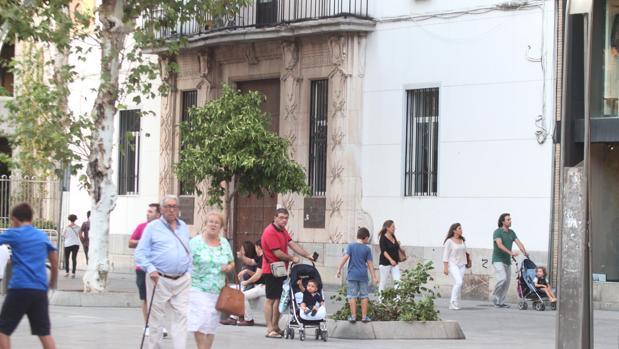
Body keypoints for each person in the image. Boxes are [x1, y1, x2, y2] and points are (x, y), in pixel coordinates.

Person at [135, 195, 191, 349]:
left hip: (182, 280)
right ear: (161, 210)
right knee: (156, 320)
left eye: (174, 206)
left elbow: (188, 251)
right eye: (167, 206)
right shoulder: (152, 227)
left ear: (178, 209)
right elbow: (140, 253)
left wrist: (189, 272)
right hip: (158, 279)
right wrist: (151, 269)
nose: (171, 209)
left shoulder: (183, 226)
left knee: (182, 317)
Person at [0, 203, 58, 349]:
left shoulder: (15, 233)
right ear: (31, 219)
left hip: (19, 288)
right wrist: (53, 281)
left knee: (3, 330)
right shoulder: (42, 235)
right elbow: (54, 260)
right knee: (44, 332)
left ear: (15, 219)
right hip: (39, 290)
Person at [262, 208, 314, 339]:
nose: (284, 220)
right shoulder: (270, 231)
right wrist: (292, 258)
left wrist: (307, 255)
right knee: (270, 299)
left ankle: (275, 326)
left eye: (286, 218)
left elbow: (292, 244)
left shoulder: (283, 230)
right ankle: (269, 328)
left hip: (280, 269)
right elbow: (277, 253)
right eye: (281, 217)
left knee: (279, 299)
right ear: (275, 217)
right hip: (271, 269)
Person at [188, 211, 234, 349]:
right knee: (200, 321)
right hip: (197, 288)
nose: (213, 224)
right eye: (211, 221)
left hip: (217, 290)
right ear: (205, 224)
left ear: (221, 226)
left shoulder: (224, 243)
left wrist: (228, 267)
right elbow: (185, 263)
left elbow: (232, 262)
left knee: (211, 324)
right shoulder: (195, 242)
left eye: (217, 222)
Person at [128, 203, 167, 337]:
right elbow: (130, 242)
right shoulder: (141, 227)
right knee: (145, 298)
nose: (147, 213)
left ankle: (160, 325)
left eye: (150, 212)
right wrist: (144, 241)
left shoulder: (165, 229)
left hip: (159, 268)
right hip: (143, 268)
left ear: (158, 214)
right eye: (147, 211)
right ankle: (148, 325)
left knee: (160, 298)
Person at [336, 227, 377, 323]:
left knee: (352, 295)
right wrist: (374, 277)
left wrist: (339, 269)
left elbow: (345, 258)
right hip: (363, 276)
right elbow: (370, 264)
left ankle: (353, 317)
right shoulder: (367, 249)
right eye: (368, 239)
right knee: (364, 296)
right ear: (366, 237)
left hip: (352, 275)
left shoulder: (350, 246)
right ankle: (364, 317)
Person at [221, 239, 264, 326]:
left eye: (242, 249)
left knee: (240, 295)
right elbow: (251, 262)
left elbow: (258, 275)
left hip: (258, 286)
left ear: (258, 247)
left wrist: (247, 279)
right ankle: (234, 317)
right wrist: (241, 257)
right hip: (254, 285)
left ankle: (247, 319)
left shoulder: (264, 258)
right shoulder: (259, 258)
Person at [492, 213, 529, 308]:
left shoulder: (511, 232)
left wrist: (524, 252)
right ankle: (495, 296)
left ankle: (500, 302)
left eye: (510, 219)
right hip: (498, 260)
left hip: (507, 261)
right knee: (502, 278)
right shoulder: (497, 232)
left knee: (507, 282)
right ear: (503, 221)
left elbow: (519, 243)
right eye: (508, 219)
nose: (510, 221)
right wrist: (511, 253)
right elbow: (499, 245)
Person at [442, 223, 468, 310]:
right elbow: (445, 255)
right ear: (454, 231)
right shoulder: (449, 241)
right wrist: (445, 267)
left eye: (461, 228)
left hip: (462, 265)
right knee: (459, 282)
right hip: (453, 264)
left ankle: (454, 302)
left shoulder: (462, 240)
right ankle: (453, 302)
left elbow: (464, 252)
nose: (461, 230)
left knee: (457, 283)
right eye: (459, 228)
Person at [378, 220, 401, 292]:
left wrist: (398, 244)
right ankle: (380, 300)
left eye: (394, 227)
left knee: (398, 281)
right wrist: (391, 260)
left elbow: (395, 247)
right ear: (387, 228)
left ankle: (398, 300)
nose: (394, 228)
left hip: (395, 263)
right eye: (393, 227)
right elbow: (384, 251)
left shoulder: (393, 236)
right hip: (385, 263)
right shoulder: (382, 238)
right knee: (383, 282)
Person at [62, 214, 80, 278]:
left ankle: (67, 272)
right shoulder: (78, 227)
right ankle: (73, 273)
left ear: (69, 219)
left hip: (67, 244)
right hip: (76, 244)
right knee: (74, 258)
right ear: (75, 219)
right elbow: (79, 235)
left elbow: (63, 235)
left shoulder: (66, 227)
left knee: (67, 258)